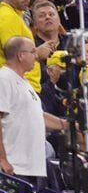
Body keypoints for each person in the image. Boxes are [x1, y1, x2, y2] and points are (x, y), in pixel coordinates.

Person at [0, 35, 66, 183]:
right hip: (12, 168)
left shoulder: (24, 81)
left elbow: (39, 116)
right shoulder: (4, 79)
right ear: (21, 55)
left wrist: (70, 126)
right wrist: (2, 159)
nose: (36, 56)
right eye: (33, 52)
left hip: (31, 166)